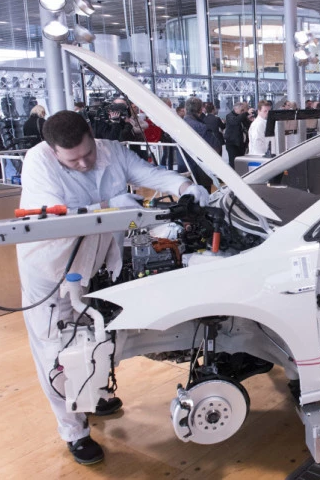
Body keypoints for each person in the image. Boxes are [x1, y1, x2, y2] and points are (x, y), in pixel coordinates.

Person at [17, 111, 209, 465]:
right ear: (53, 151)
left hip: (95, 264)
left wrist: (183, 187)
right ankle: (74, 432)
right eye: (72, 160)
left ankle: (96, 394)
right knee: (55, 352)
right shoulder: (38, 162)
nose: (83, 163)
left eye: (87, 153)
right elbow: (55, 217)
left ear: (92, 135)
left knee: (96, 336)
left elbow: (150, 174)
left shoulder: (111, 150)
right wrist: (106, 206)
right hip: (52, 271)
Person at [183, 97, 221, 191]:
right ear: (200, 110)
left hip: (184, 168)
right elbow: (216, 147)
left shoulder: (178, 124)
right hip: (200, 169)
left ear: (185, 109)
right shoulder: (201, 127)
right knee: (204, 196)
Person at [224, 101, 250, 169]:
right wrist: (246, 113)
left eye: (243, 110)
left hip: (241, 144)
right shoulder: (229, 116)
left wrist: (250, 119)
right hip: (232, 144)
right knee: (233, 163)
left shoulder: (241, 116)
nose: (243, 112)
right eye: (241, 110)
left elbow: (247, 126)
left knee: (241, 163)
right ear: (236, 109)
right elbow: (235, 121)